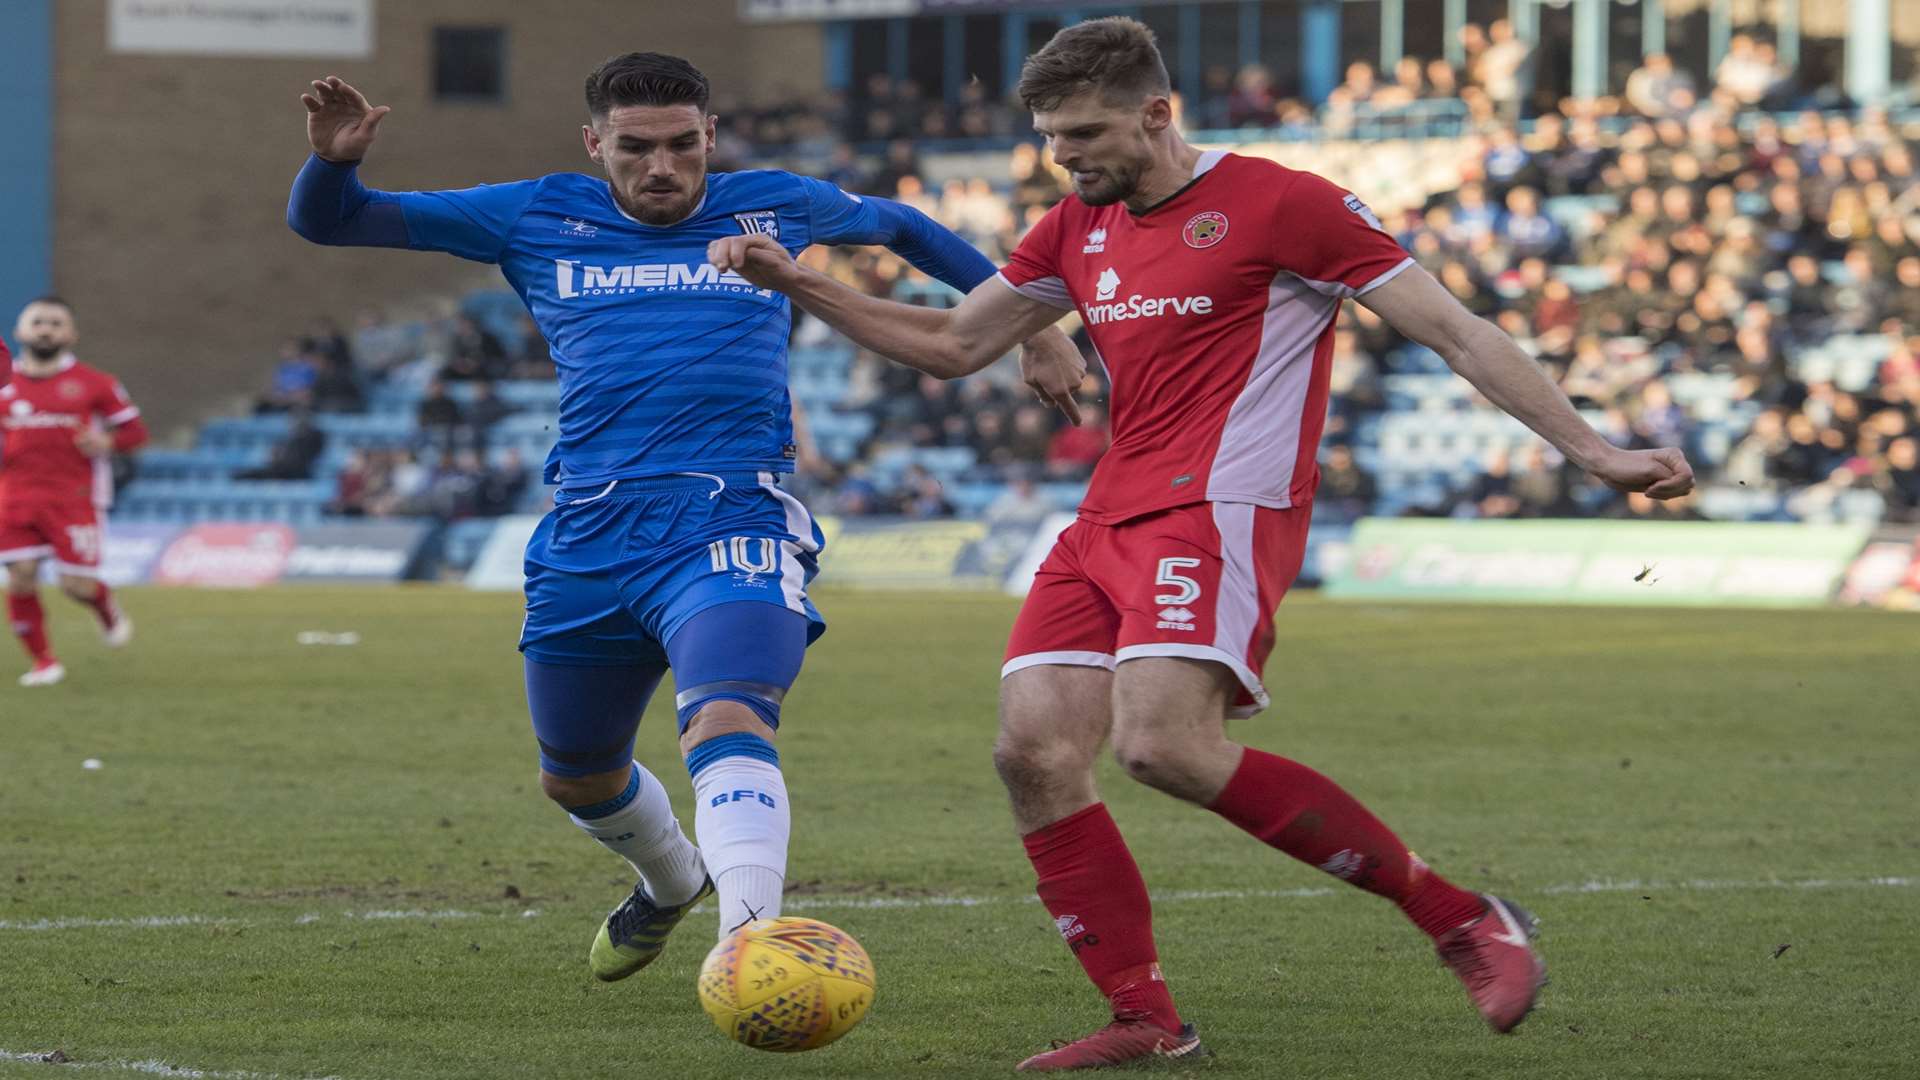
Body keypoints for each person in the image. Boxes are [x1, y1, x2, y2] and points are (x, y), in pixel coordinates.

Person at [709, 17, 1695, 1069]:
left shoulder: (1284, 202)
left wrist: (1593, 449)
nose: (1066, 157)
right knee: (1033, 752)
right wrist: (801, 283)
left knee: (1161, 746)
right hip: (1105, 517)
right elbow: (955, 344)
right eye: (1051, 138)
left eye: (1085, 133)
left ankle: (1463, 918)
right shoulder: (1073, 228)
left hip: (1220, 510)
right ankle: (1145, 1017)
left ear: (1157, 112)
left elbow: (1453, 329)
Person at [287, 55, 1079, 975]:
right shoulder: (531, 212)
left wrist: (1034, 324)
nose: (660, 167)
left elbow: (902, 225)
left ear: (708, 136)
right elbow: (331, 221)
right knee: (576, 773)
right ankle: (671, 880)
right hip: (587, 530)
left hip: (731, 513)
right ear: (596, 145)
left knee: (728, 717)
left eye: (679, 146)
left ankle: (753, 946)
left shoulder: (773, 201)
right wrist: (333, 162)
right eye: (635, 149)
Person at [1, 298, 148, 687]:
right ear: (20, 332)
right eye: (37, 322)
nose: (45, 329)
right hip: (14, 498)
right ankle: (44, 662)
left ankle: (103, 604)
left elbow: (135, 432)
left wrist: (105, 442)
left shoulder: (96, 383)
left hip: (73, 497)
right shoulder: (4, 386)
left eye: (55, 323)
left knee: (75, 585)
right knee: (20, 578)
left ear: (71, 335)